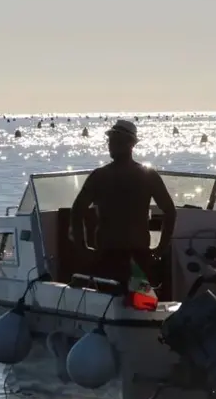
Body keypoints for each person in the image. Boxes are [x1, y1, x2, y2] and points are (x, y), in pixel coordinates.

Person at [69, 119, 177, 287]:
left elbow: (77, 210)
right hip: (112, 256)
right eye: (110, 141)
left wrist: (82, 248)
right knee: (135, 304)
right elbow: (76, 210)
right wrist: (82, 247)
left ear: (130, 144)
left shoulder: (101, 176)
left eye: (116, 141)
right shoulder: (145, 176)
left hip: (129, 256)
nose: (110, 145)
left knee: (131, 304)